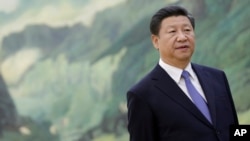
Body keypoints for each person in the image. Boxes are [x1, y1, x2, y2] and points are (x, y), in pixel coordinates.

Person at [126, 5, 238, 141]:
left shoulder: (217, 77)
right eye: (172, 32)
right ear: (156, 41)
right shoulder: (142, 95)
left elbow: (235, 131)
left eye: (187, 30)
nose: (182, 37)